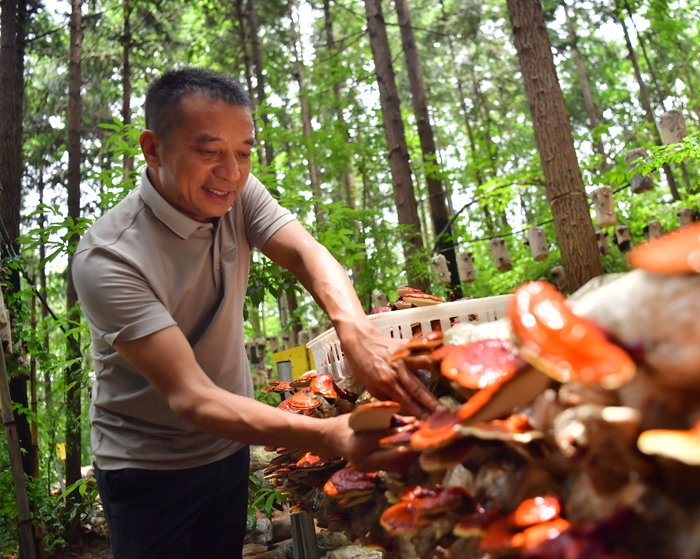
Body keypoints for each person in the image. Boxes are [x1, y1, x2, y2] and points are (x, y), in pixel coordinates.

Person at [72, 68, 439, 559]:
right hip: (147, 468)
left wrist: (354, 330)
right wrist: (328, 434)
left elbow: (307, 253)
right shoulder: (109, 258)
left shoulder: (238, 194)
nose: (231, 171)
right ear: (152, 148)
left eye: (243, 152)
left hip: (229, 446)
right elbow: (193, 396)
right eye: (208, 151)